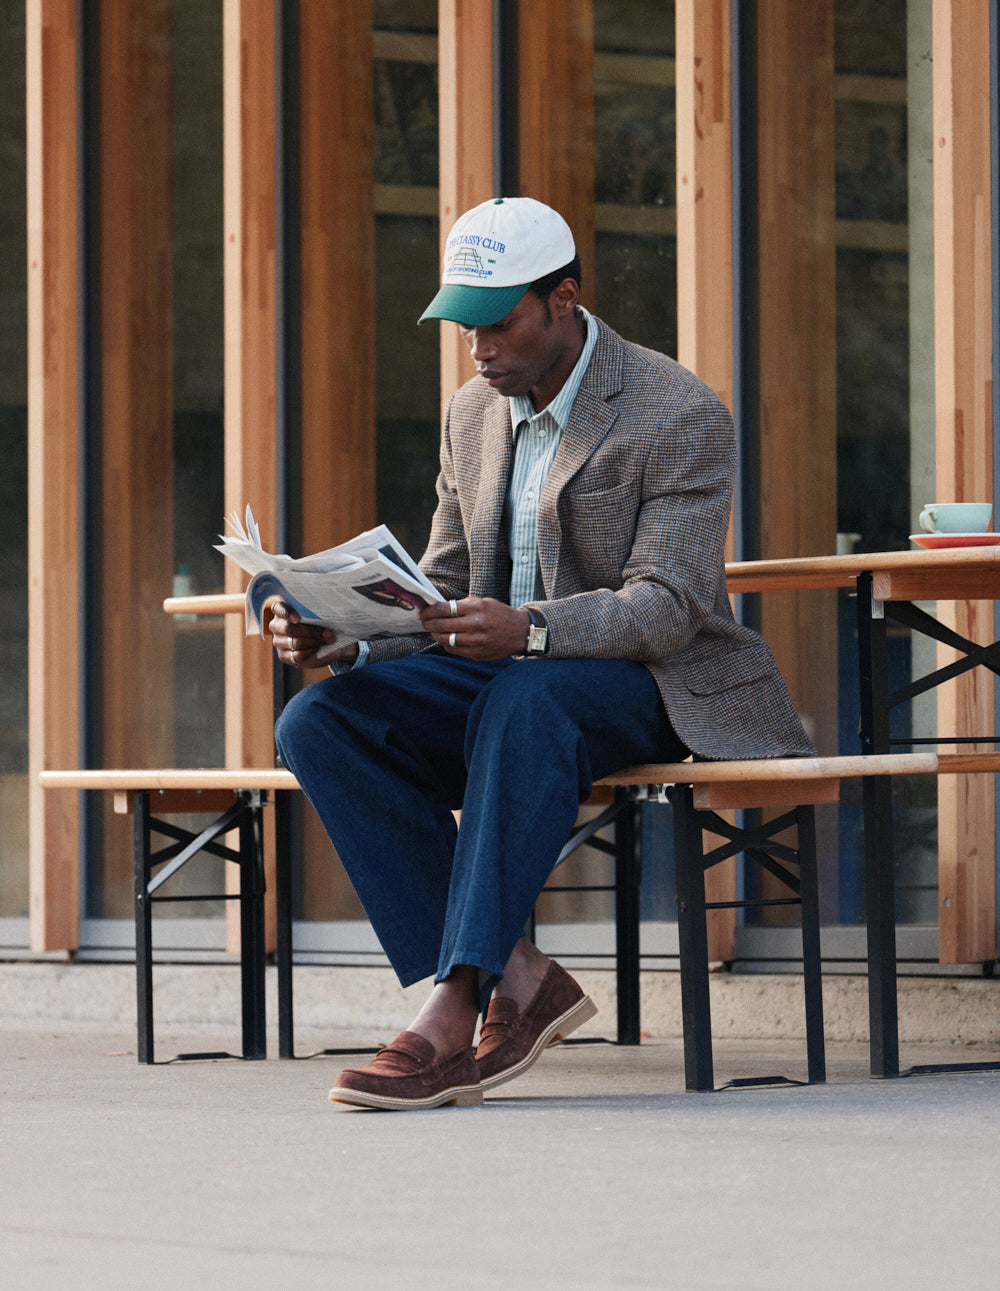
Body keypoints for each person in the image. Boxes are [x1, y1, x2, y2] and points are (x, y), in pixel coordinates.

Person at [268, 197, 813, 1111]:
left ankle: (454, 1007)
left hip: (652, 683)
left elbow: (670, 607)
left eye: (497, 324)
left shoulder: (675, 410)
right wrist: (347, 634)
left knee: (528, 699)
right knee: (319, 721)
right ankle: (521, 972)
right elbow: (439, 585)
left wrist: (534, 631)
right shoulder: (472, 415)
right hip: (504, 676)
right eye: (462, 326)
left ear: (563, 300)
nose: (478, 349)